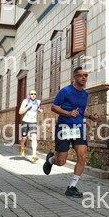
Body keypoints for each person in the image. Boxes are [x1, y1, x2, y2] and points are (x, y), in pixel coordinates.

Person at [43, 67, 99, 198]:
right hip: (64, 128)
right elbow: (54, 107)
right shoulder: (65, 91)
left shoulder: (84, 94)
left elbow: (81, 110)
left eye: (86, 75)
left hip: (78, 128)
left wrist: (91, 116)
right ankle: (50, 160)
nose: (84, 77)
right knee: (61, 161)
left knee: (82, 156)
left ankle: (72, 187)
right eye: (81, 75)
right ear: (74, 77)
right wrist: (68, 113)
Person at [19, 90, 43, 162]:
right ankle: (22, 148)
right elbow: (20, 112)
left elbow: (37, 108)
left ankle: (34, 155)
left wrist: (39, 110)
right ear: (29, 95)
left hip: (33, 122)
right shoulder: (25, 101)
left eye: (34, 94)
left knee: (34, 138)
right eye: (31, 94)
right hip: (25, 122)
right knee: (24, 138)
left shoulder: (38, 102)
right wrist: (27, 107)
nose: (33, 95)